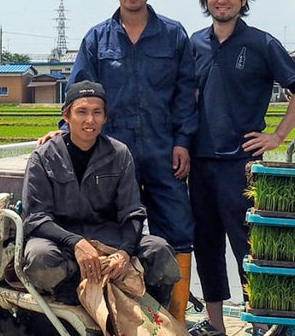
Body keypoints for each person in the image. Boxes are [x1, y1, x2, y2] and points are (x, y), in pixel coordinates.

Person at [66, 0, 197, 322]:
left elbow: (186, 93)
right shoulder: (97, 39)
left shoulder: (172, 35)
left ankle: (176, 321)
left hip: (162, 152)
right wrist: (63, 135)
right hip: (112, 157)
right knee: (114, 234)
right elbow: (80, 92)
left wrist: (183, 140)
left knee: (177, 233)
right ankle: (118, 321)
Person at [188, 0, 295, 336]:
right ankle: (215, 324)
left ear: (244, 0)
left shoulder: (260, 43)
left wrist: (276, 135)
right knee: (206, 244)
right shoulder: (193, 44)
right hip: (198, 163)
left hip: (240, 165)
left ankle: (261, 323)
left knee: (248, 245)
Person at [21, 80, 180, 306]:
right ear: (66, 117)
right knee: (39, 258)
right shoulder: (44, 157)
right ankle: (70, 294)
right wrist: (76, 243)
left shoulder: (119, 154)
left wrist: (125, 252)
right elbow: (36, 219)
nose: (90, 120)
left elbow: (133, 213)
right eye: (81, 112)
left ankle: (154, 313)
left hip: (107, 236)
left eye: (97, 113)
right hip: (59, 239)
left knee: (159, 250)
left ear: (105, 118)